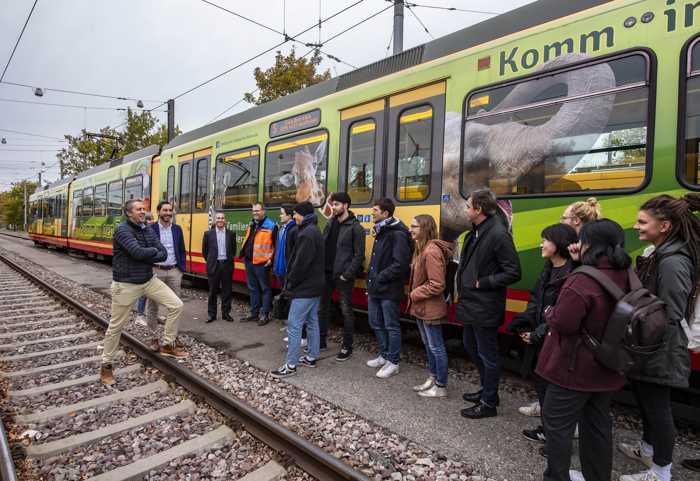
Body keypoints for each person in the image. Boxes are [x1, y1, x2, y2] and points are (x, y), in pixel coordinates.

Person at [537, 219, 631, 481]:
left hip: (573, 367)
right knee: (598, 426)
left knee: (556, 427)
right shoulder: (625, 273)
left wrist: (549, 313)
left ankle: (556, 477)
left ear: (591, 243)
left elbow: (565, 322)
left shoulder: (582, 280)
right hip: (608, 364)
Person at [618, 194, 700, 481]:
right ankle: (647, 450)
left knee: (658, 408)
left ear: (664, 225)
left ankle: (661, 471)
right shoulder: (659, 253)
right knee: (646, 403)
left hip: (659, 347)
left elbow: (670, 312)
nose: (636, 226)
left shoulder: (673, 262)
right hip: (649, 344)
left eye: (643, 222)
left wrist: (643, 341)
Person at [101, 199, 187, 385]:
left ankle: (167, 344)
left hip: (148, 280)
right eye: (139, 209)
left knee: (176, 305)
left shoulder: (146, 228)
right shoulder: (122, 230)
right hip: (126, 284)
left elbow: (163, 253)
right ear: (129, 213)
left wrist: (147, 251)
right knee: (116, 327)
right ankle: (106, 366)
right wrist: (150, 251)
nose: (143, 212)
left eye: (144, 209)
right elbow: (137, 252)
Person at [506, 223, 578, 441]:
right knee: (542, 384)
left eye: (545, 240)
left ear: (558, 244)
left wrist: (537, 332)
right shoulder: (548, 268)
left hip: (555, 340)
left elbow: (562, 311)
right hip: (541, 337)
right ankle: (548, 430)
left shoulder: (572, 273)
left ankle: (554, 435)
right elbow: (535, 301)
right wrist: (526, 326)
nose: (541, 244)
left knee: (554, 390)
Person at [458, 189, 521, 419]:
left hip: (485, 304)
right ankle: (486, 390)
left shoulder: (497, 234)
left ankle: (489, 403)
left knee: (487, 354)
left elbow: (513, 272)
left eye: (468, 206)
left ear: (479, 210)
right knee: (471, 346)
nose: (465, 210)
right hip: (472, 304)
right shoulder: (475, 232)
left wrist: (482, 282)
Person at [271, 201, 325, 378]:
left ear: (303, 214)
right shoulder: (314, 230)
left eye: (295, 214)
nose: (294, 217)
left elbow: (300, 264)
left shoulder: (306, 234)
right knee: (312, 321)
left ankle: (291, 365)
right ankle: (311, 357)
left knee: (294, 325)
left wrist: (290, 284)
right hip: (315, 286)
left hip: (305, 288)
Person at [366, 198, 412, 379]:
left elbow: (400, 264)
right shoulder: (383, 230)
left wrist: (379, 277)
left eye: (375, 210)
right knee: (375, 322)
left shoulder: (397, 233)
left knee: (391, 325)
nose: (372, 213)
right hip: (377, 287)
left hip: (389, 289)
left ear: (385, 213)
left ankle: (393, 362)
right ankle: (384, 355)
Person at [407, 214, 452, 398]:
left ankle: (441, 386)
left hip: (430, 308)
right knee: (428, 345)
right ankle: (433, 378)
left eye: (414, 226)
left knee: (436, 347)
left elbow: (437, 284)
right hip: (422, 307)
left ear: (425, 229)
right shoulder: (421, 248)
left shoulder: (431, 251)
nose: (411, 229)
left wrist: (414, 294)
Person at [318, 192, 366, 361]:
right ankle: (320, 341)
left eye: (337, 204)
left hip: (343, 276)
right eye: (333, 204)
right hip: (326, 273)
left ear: (346, 206)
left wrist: (347, 274)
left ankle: (347, 346)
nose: (334, 207)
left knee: (346, 311)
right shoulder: (330, 223)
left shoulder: (356, 228)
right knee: (322, 309)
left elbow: (359, 255)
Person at [146, 201, 187, 351]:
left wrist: (181, 269)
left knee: (175, 305)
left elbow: (182, 249)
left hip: (174, 271)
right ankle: (154, 338)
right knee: (153, 306)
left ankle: (172, 337)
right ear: (158, 212)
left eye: (170, 210)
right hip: (156, 271)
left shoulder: (177, 229)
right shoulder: (150, 229)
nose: (168, 213)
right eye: (165, 210)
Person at [241, 203, 277, 326]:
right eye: (253, 211)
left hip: (262, 264)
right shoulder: (252, 224)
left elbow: (275, 246)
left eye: (257, 210)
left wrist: (271, 260)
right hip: (250, 261)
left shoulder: (271, 226)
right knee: (253, 289)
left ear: (264, 211)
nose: (255, 213)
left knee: (265, 289)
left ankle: (264, 315)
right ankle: (254, 313)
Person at [202, 212, 236, 323]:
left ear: (225, 220)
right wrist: (211, 261)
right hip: (214, 265)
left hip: (227, 265)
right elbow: (205, 251)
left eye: (222, 218)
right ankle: (211, 315)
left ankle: (226, 314)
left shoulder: (231, 234)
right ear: (215, 220)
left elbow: (233, 250)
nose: (220, 220)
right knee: (213, 291)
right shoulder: (208, 234)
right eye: (218, 218)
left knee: (227, 291)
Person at [134, 211, 155, 325]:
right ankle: (140, 315)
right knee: (144, 293)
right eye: (150, 219)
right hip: (145, 268)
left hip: (149, 266)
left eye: (152, 219)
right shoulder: (145, 232)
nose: (152, 221)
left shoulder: (147, 231)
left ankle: (142, 314)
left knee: (147, 294)